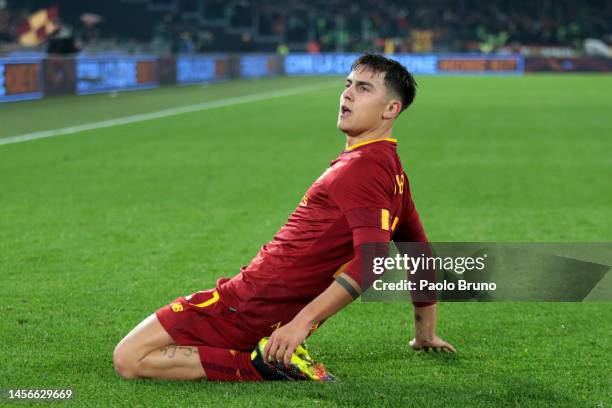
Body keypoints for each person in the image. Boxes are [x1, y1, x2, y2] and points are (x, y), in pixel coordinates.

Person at [113, 53, 456, 382]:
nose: (348, 94)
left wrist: (301, 324)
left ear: (391, 109)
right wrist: (425, 334)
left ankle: (266, 364)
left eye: (364, 88)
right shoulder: (391, 171)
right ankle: (270, 356)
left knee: (130, 358)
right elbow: (418, 252)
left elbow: (373, 260)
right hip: (268, 310)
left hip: (248, 305)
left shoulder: (362, 168)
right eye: (348, 84)